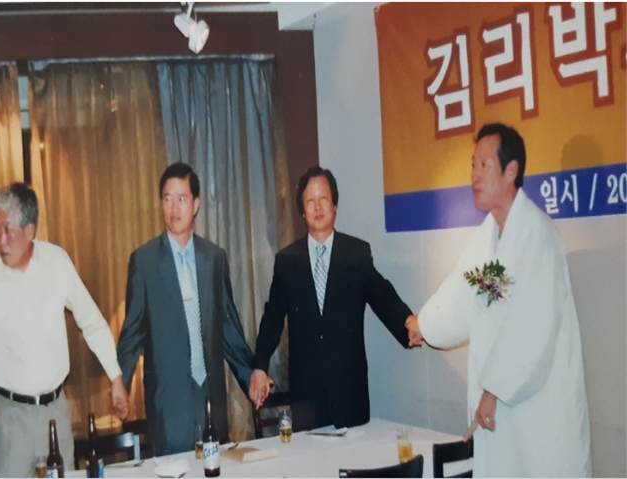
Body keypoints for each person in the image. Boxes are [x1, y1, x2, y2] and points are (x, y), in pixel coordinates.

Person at [406, 123, 592, 476]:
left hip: (537, 407)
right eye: (473, 165)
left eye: (484, 165)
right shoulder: (491, 237)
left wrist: (493, 390)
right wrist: (424, 325)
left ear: (511, 171)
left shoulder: (537, 236)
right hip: (505, 408)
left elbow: (532, 328)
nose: (475, 175)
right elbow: (467, 295)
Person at [0, 182, 129, 477]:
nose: (0, 240)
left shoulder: (56, 263)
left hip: (54, 413)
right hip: (10, 419)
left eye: (8, 229)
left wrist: (116, 377)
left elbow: (92, 322)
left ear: (30, 231)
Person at [117, 162, 269, 455]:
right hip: (168, 407)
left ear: (196, 204)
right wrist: (119, 382)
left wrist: (250, 374)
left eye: (181, 199)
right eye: (167, 199)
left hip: (211, 399)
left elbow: (227, 327)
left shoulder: (214, 258)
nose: (173, 208)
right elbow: (132, 334)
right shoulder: (144, 262)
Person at [249, 166, 416, 431]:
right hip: (306, 399)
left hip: (349, 393)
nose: (318, 207)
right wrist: (259, 366)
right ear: (302, 211)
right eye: (310, 201)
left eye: (324, 199)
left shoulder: (356, 253)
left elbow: (381, 293)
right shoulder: (287, 261)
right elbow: (272, 318)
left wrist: (407, 323)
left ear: (335, 205)